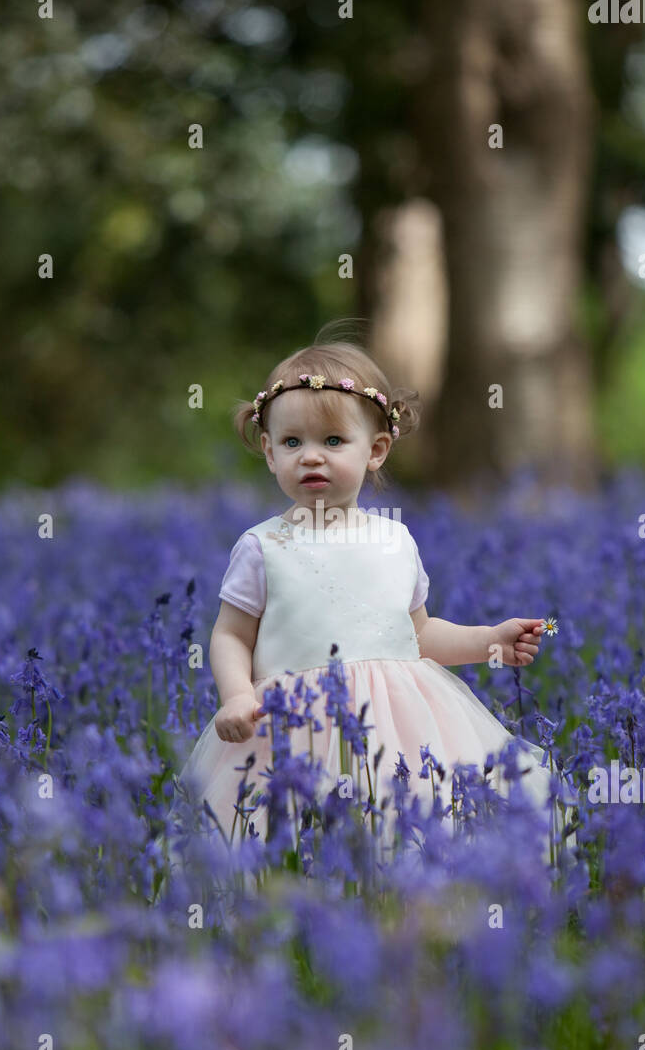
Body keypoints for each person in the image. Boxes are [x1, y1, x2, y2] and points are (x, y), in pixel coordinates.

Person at [175, 329, 576, 865]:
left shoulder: (394, 540)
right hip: (291, 726)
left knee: (404, 826)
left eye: (333, 442)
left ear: (376, 451)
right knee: (292, 841)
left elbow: (417, 634)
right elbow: (230, 634)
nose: (311, 457)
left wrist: (489, 641)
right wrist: (237, 696)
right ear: (269, 453)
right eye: (292, 443)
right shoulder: (262, 546)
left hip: (399, 725)